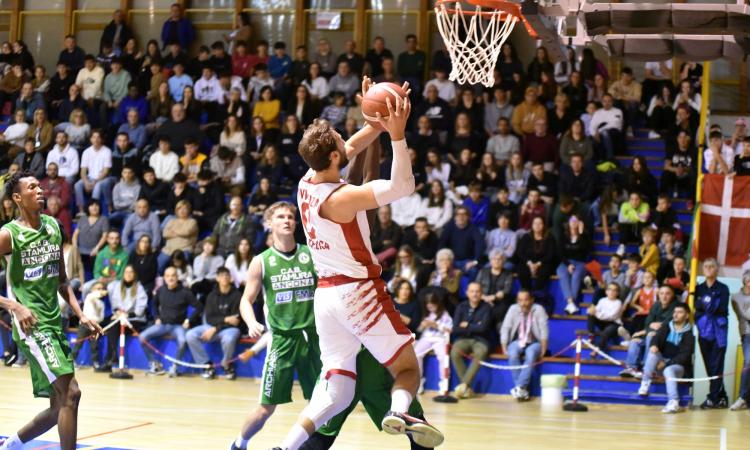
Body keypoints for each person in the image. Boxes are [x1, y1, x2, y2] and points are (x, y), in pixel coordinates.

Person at [281, 79, 442, 449]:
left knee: (337, 390)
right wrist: (397, 136)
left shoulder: (307, 181)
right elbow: (402, 186)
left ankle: (284, 447)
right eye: (339, 137)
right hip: (357, 294)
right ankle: (400, 411)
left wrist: (376, 121)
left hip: (326, 298)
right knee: (406, 369)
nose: (344, 138)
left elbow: (350, 147)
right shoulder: (344, 198)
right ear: (334, 158)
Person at [0, 171, 102, 450]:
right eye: (32, 187)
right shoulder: (8, 235)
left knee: (60, 405)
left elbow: (62, 280)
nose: (40, 190)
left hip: (54, 323)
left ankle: (11, 444)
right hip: (32, 326)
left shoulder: (54, 227)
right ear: (18, 198)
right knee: (72, 392)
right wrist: (14, 306)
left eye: (40, 186)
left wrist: (81, 314)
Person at [230, 202, 321, 449]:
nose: (287, 220)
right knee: (266, 408)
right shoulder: (262, 261)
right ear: (269, 224)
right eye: (280, 216)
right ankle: (240, 443)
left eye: (291, 216)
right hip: (281, 341)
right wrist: (251, 322)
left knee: (322, 405)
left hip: (313, 339)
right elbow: (246, 300)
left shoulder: (310, 254)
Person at [139, 266, 202, 377]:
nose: (170, 278)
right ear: (164, 278)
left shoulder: (185, 292)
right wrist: (156, 317)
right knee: (142, 337)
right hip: (162, 324)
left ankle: (175, 367)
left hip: (178, 326)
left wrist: (189, 320)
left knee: (182, 341)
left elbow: (199, 307)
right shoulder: (161, 290)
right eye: (168, 276)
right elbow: (154, 304)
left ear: (177, 277)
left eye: (173, 275)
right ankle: (155, 364)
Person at [637, 303, 695, 414]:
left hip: (678, 367)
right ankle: (645, 383)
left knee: (669, 370)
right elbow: (656, 338)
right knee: (653, 352)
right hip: (662, 362)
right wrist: (654, 345)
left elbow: (684, 357)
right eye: (675, 312)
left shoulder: (689, 334)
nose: (676, 314)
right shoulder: (667, 326)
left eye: (680, 312)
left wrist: (666, 364)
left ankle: (674, 402)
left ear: (687, 316)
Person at [186, 267, 241, 380]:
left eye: (227, 275)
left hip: (229, 329)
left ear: (230, 278)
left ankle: (226, 364)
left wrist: (216, 328)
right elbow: (210, 318)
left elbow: (236, 321)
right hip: (213, 326)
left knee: (229, 338)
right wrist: (225, 319)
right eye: (221, 275)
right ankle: (207, 364)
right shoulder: (211, 296)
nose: (224, 277)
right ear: (217, 278)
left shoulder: (237, 295)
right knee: (190, 335)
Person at [694, 258, 730, 409]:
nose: (708, 268)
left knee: (717, 365)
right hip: (703, 330)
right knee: (709, 365)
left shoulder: (723, 288)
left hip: (718, 331)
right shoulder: (698, 288)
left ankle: (712, 398)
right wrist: (706, 303)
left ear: (717, 269)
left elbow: (720, 308)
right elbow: (697, 306)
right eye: (706, 266)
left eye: (712, 266)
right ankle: (722, 397)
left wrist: (704, 304)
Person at [500, 290, 549, 401]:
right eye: (520, 300)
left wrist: (544, 347)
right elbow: (505, 327)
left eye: (526, 300)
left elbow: (544, 329)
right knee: (512, 353)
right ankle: (522, 389)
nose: (523, 303)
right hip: (518, 340)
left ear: (532, 300)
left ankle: (520, 387)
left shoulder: (539, 309)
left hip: (534, 342)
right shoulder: (513, 309)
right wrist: (504, 346)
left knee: (530, 354)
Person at [620, 285, 678, 378]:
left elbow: (666, 326)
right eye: (661, 293)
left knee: (650, 335)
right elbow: (648, 322)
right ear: (658, 294)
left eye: (667, 293)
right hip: (650, 333)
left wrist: (648, 330)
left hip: (666, 338)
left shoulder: (676, 307)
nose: (664, 296)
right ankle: (631, 367)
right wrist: (648, 328)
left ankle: (647, 368)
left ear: (672, 295)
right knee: (635, 340)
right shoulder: (656, 305)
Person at [450, 282, 493, 399]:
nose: (475, 294)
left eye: (477, 291)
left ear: (481, 293)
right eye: (472, 291)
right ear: (467, 293)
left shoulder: (487, 308)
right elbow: (455, 329)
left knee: (481, 352)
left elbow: (483, 329)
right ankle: (466, 388)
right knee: (455, 352)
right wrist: (475, 326)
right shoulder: (461, 307)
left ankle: (463, 386)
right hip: (463, 339)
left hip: (481, 340)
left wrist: (467, 325)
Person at [730, 271, 750, 411]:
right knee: (748, 362)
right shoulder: (736, 297)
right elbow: (745, 315)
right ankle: (742, 397)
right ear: (745, 281)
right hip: (747, 333)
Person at [587, 283, 624, 356]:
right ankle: (591, 334)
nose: (611, 292)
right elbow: (595, 310)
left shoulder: (618, 303)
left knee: (606, 332)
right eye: (609, 289)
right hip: (602, 322)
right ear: (606, 291)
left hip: (614, 324)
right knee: (590, 314)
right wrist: (591, 311)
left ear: (617, 293)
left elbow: (611, 316)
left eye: (614, 290)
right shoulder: (602, 300)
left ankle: (596, 349)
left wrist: (597, 313)